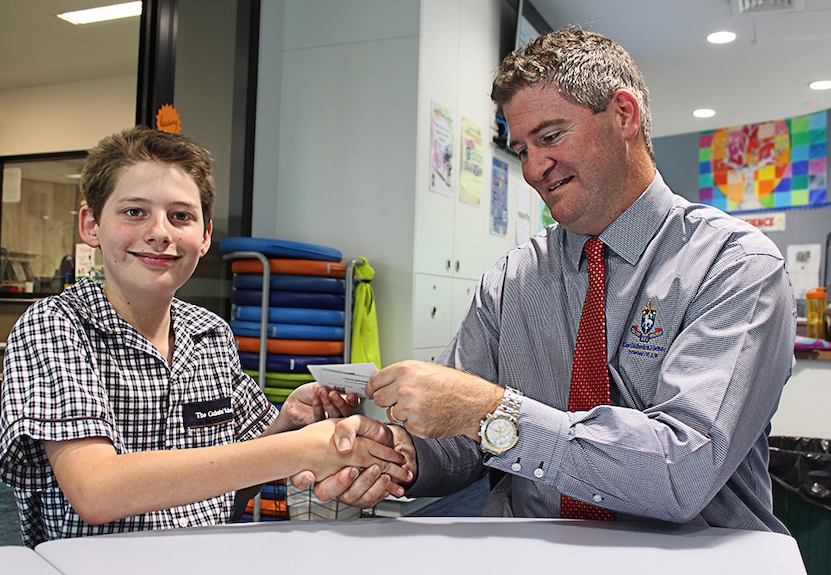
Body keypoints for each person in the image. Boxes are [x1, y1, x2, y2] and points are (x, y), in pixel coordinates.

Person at [308, 26, 797, 533]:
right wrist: (401, 456)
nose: (534, 169)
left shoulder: (735, 267)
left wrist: (490, 410)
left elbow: (682, 470)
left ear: (624, 115)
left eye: (550, 137)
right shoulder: (511, 282)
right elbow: (462, 444)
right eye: (522, 149)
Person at [0, 126, 409, 548]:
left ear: (205, 235)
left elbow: (244, 473)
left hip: (209, 556)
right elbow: (96, 491)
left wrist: (290, 422)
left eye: (181, 216)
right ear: (91, 225)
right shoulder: (55, 325)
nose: (161, 232)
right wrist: (301, 450)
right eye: (134, 212)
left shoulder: (208, 332)